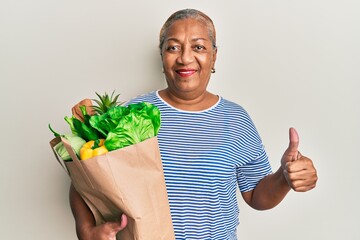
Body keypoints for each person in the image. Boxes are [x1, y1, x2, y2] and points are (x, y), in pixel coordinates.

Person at [69, 8, 318, 240]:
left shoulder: (235, 119)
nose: (185, 58)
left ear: (214, 56)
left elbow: (256, 195)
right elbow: (87, 178)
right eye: (173, 48)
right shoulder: (131, 115)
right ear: (162, 55)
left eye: (198, 47)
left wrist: (284, 178)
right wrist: (86, 230)